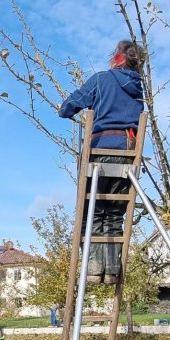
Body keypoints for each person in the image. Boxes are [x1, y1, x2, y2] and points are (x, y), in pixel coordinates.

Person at [59, 40, 145, 285]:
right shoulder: (139, 88)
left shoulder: (102, 79)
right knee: (115, 212)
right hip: (128, 153)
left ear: (116, 58)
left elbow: (69, 107)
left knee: (93, 210)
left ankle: (95, 270)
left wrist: (63, 108)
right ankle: (112, 271)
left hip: (101, 150)